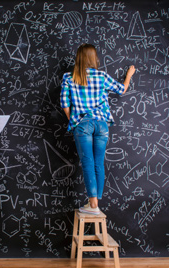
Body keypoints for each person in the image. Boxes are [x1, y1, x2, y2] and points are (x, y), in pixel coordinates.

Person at [60, 44, 135, 215]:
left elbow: (65, 104)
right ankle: (94, 203)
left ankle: (93, 205)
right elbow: (121, 89)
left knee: (87, 162)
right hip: (102, 125)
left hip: (83, 124)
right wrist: (129, 75)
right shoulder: (101, 76)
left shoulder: (69, 77)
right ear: (94, 58)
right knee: (98, 162)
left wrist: (75, 121)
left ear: (78, 58)